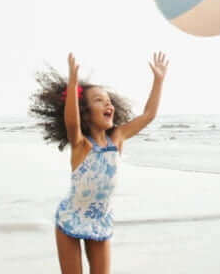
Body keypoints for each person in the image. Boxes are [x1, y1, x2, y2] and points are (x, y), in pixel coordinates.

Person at [29, 52, 169, 274]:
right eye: (98, 100)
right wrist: (74, 85)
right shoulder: (81, 144)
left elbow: (148, 115)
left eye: (109, 101)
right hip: (70, 219)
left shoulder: (118, 138)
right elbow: (71, 122)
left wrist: (159, 81)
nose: (108, 104)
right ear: (86, 113)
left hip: (99, 221)